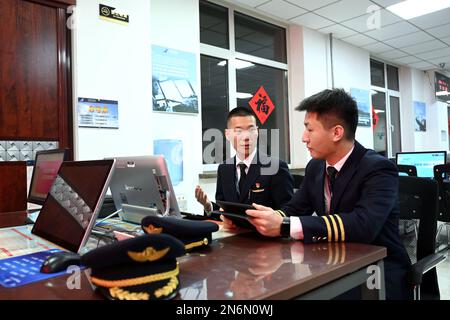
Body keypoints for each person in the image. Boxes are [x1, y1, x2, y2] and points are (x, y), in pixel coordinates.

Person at [226, 89, 411, 300]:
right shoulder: (316, 167)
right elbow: (294, 208)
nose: (303, 138)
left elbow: (363, 224)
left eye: (309, 129)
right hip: (334, 263)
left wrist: (285, 224)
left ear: (337, 133)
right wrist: (256, 220)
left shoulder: (378, 168)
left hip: (377, 271)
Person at [195, 107, 294, 218]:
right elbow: (223, 210)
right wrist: (208, 206)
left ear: (257, 132)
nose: (246, 137)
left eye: (251, 130)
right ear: (227, 134)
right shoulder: (224, 168)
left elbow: (289, 212)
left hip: (262, 234)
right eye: (238, 131)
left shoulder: (276, 167)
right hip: (233, 234)